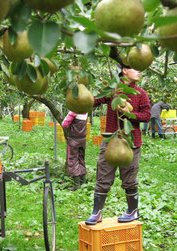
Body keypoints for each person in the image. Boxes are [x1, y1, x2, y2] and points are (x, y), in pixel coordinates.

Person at [85, 64, 151, 225]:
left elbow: (147, 115)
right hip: (111, 140)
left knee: (129, 178)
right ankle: (96, 212)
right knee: (103, 174)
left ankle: (133, 211)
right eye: (135, 68)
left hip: (131, 142)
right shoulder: (113, 90)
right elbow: (95, 101)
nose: (139, 70)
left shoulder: (141, 94)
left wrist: (129, 114)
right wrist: (80, 88)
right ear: (124, 70)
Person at [62, 111, 88, 190]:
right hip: (83, 139)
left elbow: (64, 124)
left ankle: (77, 185)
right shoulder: (85, 111)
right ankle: (83, 182)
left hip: (74, 139)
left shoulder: (73, 112)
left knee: (73, 160)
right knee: (81, 159)